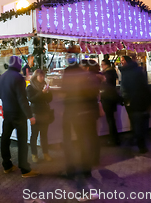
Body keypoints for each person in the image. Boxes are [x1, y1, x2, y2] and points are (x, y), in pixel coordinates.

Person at [61, 57, 100, 198]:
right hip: (85, 112)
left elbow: (64, 89)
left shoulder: (68, 73)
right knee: (84, 141)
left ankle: (73, 172)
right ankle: (85, 171)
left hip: (72, 112)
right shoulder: (86, 76)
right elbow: (93, 93)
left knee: (72, 141)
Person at [0, 56, 38, 178]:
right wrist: (30, 115)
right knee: (22, 142)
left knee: (5, 139)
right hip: (19, 114)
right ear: (18, 64)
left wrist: (7, 96)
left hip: (7, 113)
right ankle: (25, 169)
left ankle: (7, 165)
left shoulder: (1, 77)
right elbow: (22, 99)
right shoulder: (18, 77)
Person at [120, 56, 151, 153]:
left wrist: (126, 100)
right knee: (142, 121)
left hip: (132, 101)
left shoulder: (125, 73)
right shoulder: (139, 71)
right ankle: (142, 142)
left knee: (135, 122)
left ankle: (140, 143)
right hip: (142, 100)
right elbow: (145, 87)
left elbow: (124, 88)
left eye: (123, 60)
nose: (121, 62)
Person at [26, 69, 53, 162]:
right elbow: (32, 99)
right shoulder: (30, 87)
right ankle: (34, 154)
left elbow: (50, 99)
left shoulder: (45, 85)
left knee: (44, 135)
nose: (42, 78)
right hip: (35, 113)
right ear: (35, 77)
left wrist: (48, 92)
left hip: (45, 112)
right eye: (40, 76)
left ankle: (46, 153)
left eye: (43, 76)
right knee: (34, 135)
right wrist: (42, 93)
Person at [100, 59, 121, 146]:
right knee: (111, 119)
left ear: (106, 65)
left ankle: (114, 139)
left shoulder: (108, 73)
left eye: (102, 64)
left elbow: (106, 85)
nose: (101, 66)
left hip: (108, 98)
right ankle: (114, 138)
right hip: (112, 97)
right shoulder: (111, 72)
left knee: (110, 119)